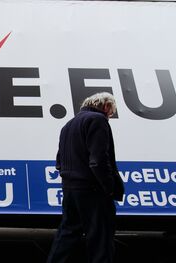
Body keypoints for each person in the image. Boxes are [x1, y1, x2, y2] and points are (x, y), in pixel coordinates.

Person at [47, 92, 125, 263]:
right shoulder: (98, 120)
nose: (109, 117)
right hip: (92, 189)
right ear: (105, 106)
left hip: (70, 189)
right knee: (100, 239)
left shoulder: (68, 124)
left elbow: (59, 160)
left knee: (67, 234)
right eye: (110, 113)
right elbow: (98, 160)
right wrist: (109, 188)